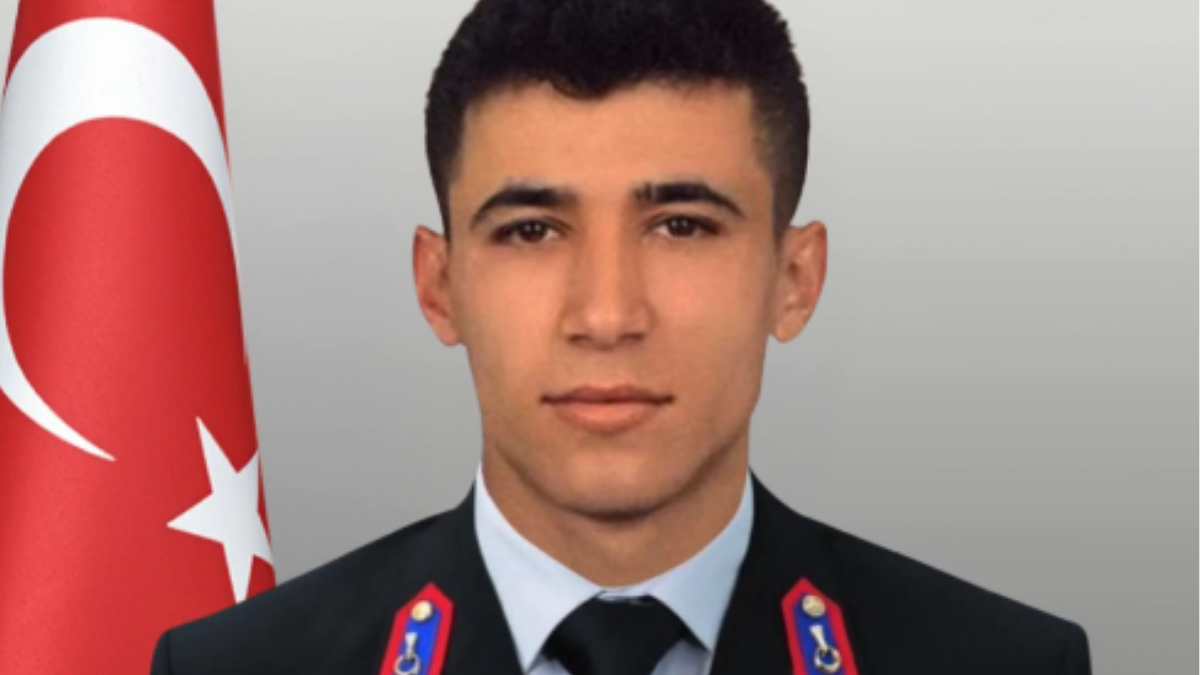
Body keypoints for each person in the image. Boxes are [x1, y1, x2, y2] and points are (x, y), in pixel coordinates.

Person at [150, 0, 1092, 673]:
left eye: (681, 225)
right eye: (532, 231)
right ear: (439, 287)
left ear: (794, 279)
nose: (605, 316)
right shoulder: (236, 667)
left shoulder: (1002, 662)